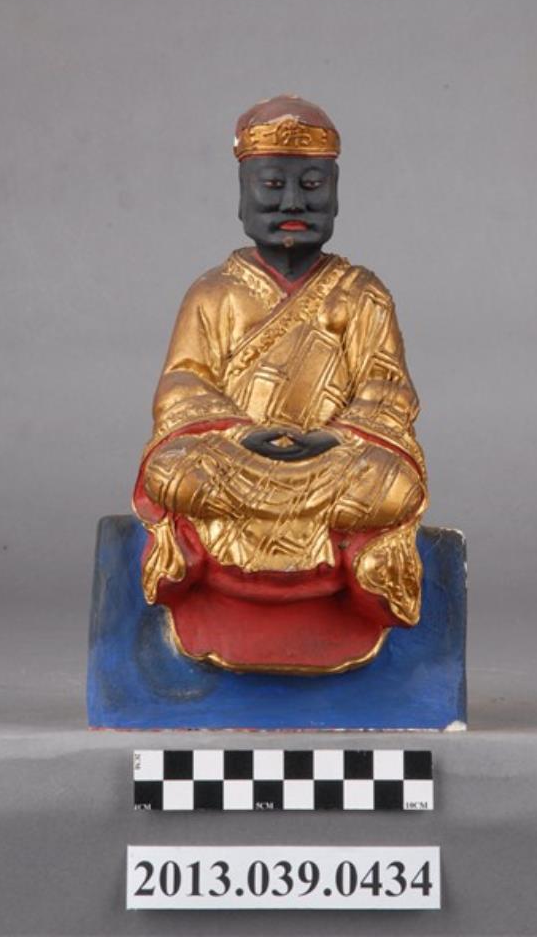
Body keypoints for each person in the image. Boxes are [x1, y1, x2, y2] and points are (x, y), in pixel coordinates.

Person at [132, 95, 428, 673]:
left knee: (395, 486)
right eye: (272, 186)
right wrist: (238, 435)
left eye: (312, 186)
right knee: (172, 471)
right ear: (242, 195)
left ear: (335, 195)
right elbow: (181, 388)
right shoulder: (213, 293)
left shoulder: (362, 293)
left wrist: (336, 438)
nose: (293, 201)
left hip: (332, 460)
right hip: (235, 457)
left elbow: (388, 390)